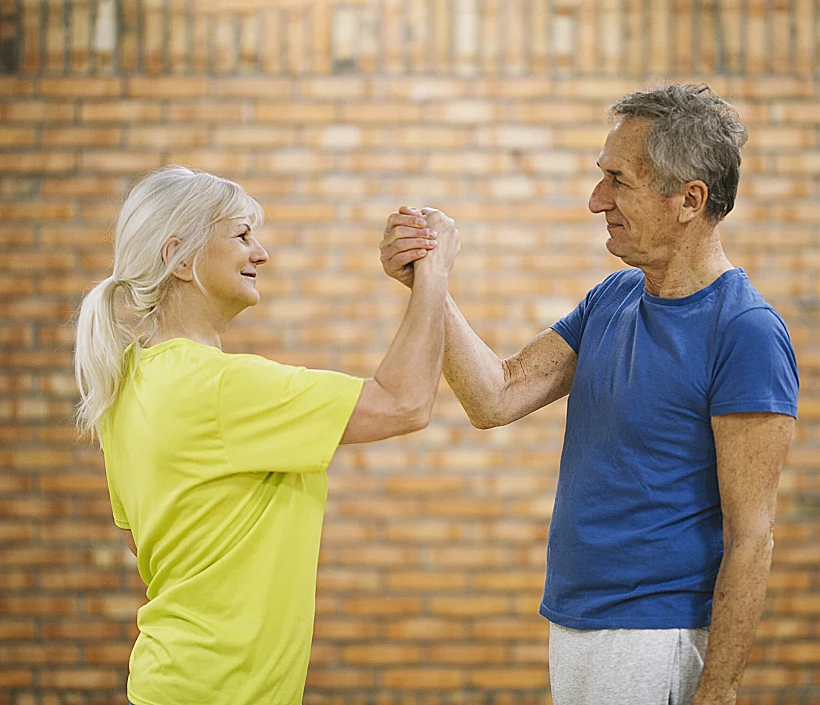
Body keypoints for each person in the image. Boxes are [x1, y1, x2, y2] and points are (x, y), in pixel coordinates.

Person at [380, 83, 799, 705]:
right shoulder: (614, 297)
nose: (595, 200)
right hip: (576, 622)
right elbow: (496, 396)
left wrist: (718, 693)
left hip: (657, 635)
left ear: (689, 200)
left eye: (618, 180)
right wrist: (429, 280)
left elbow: (751, 537)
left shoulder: (746, 332)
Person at [74, 166, 459, 705]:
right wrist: (434, 272)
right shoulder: (217, 386)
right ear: (180, 259)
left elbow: (153, 540)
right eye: (241, 235)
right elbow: (405, 403)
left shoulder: (130, 384)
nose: (261, 253)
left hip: (173, 681)